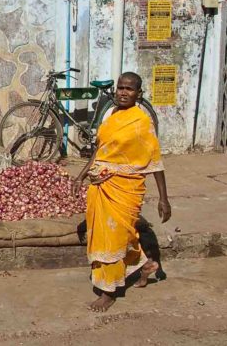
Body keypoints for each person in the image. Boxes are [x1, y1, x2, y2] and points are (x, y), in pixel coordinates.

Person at [71, 72, 172, 312]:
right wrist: (81, 175)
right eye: (120, 88)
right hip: (101, 186)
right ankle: (145, 266)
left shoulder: (141, 122)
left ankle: (109, 291)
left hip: (127, 188)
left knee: (116, 238)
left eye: (129, 89)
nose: (123, 92)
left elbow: (155, 162)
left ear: (139, 93)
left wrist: (164, 199)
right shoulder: (111, 116)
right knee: (107, 236)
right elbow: (100, 151)